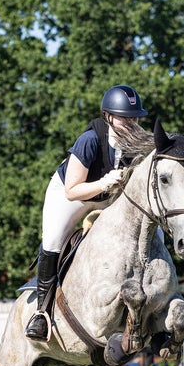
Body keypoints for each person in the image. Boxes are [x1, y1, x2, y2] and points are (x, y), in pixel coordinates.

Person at [25, 84, 149, 341]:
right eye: (125, 117)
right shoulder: (90, 140)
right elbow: (72, 190)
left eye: (134, 117)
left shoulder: (136, 143)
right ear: (109, 116)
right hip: (73, 194)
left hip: (107, 197)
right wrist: (104, 183)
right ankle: (41, 313)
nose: (131, 122)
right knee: (53, 241)